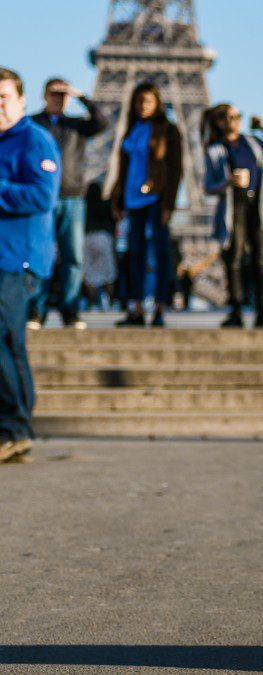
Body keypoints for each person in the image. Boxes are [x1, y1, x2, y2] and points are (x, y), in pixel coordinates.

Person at [0, 68, 60, 462]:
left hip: (17, 259)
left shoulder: (35, 139)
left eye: (3, 97)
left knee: (5, 339)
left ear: (22, 101)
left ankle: (15, 427)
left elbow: (42, 196)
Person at [27, 78, 109, 330]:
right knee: (41, 254)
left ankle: (70, 310)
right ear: (44, 95)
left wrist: (80, 95)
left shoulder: (76, 125)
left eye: (63, 94)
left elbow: (102, 122)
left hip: (72, 195)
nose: (59, 98)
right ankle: (36, 310)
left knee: (73, 256)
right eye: (54, 93)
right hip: (43, 195)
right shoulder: (33, 123)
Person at [111, 82, 183, 328]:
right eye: (140, 101)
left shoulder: (168, 130)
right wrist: (118, 199)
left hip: (156, 198)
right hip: (132, 199)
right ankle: (137, 307)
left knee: (161, 252)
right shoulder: (131, 130)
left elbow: (176, 170)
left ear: (157, 104)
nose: (143, 106)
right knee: (135, 254)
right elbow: (123, 169)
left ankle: (161, 307)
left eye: (148, 101)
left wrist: (169, 204)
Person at [203, 103, 263, 329]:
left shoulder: (252, 142)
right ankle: (236, 309)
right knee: (234, 260)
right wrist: (228, 182)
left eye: (238, 116)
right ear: (219, 121)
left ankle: (261, 310)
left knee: (262, 260)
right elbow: (208, 186)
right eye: (230, 117)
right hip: (232, 207)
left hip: (256, 206)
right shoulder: (215, 150)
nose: (235, 120)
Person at [82, 180, 118, 309]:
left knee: (90, 273)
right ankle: (110, 301)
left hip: (87, 237)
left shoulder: (84, 205)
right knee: (108, 273)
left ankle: (93, 302)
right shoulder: (105, 205)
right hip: (103, 237)